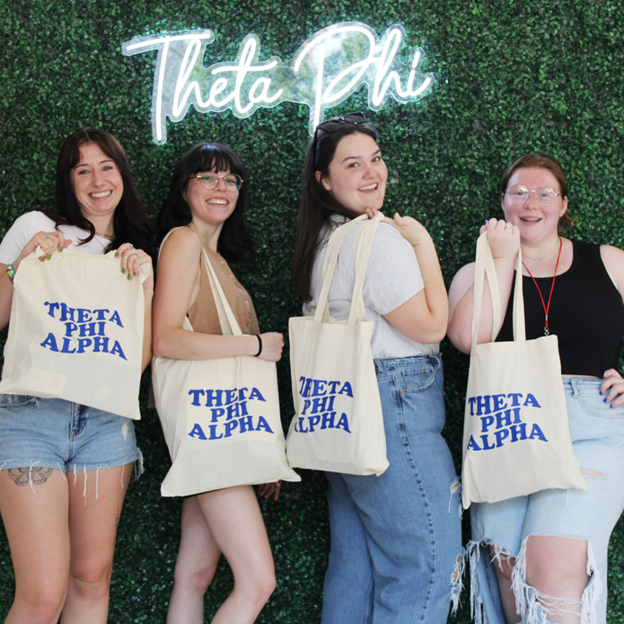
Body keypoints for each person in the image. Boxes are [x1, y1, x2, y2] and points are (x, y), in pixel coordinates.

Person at [292, 112, 463, 624]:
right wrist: (422, 242)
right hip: (395, 406)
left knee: (357, 569)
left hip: (345, 414)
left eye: (376, 159)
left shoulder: (323, 241)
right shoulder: (375, 238)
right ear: (324, 179)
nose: (373, 173)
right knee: (426, 566)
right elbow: (432, 326)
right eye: (353, 164)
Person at [448, 153, 624, 624]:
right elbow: (469, 338)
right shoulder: (476, 272)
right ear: (503, 204)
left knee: (552, 569)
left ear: (563, 204)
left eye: (544, 193)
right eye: (519, 193)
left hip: (591, 424)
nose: (531, 203)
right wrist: (503, 259)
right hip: (507, 424)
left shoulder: (609, 262)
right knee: (511, 574)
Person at [0, 128, 153, 624]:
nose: (97, 179)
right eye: (82, 169)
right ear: (69, 180)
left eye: (107, 166)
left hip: (106, 424)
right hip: (30, 416)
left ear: (122, 175)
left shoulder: (127, 254)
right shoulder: (35, 226)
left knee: (91, 579)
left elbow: (139, 361)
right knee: (43, 594)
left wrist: (144, 287)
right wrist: (21, 264)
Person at [152, 142, 284, 624]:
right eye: (206, 177)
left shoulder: (213, 255)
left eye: (230, 180)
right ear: (184, 189)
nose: (220, 188)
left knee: (195, 575)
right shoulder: (184, 243)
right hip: (213, 437)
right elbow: (165, 339)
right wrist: (252, 345)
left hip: (218, 431)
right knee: (257, 582)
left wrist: (261, 448)